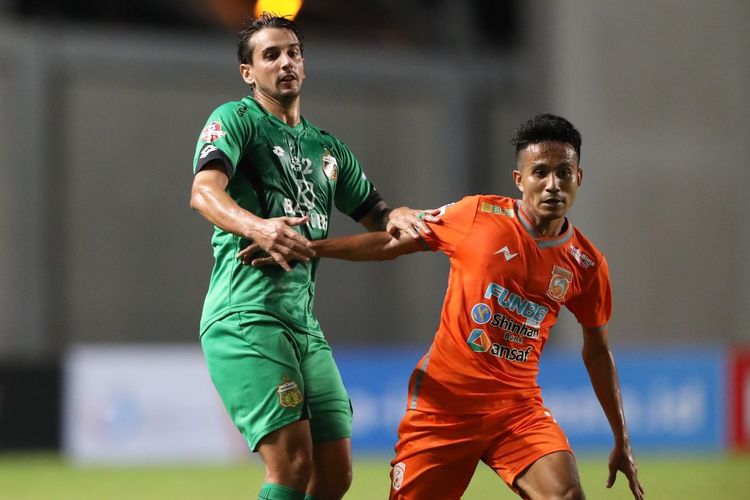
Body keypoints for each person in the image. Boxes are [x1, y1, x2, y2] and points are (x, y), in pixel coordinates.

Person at [246, 114, 644, 499]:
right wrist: (312, 249)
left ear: (579, 178)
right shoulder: (475, 215)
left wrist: (621, 438)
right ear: (520, 180)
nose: (553, 184)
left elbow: (597, 349)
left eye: (564, 172)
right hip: (444, 406)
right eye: (540, 172)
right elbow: (391, 242)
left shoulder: (587, 264)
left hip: (517, 409)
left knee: (567, 495)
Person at [189, 13, 436, 500]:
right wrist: (257, 225)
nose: (286, 62)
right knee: (293, 465)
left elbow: (386, 231)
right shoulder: (236, 120)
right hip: (246, 314)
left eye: (294, 52)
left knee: (335, 473)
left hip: (302, 323)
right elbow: (203, 192)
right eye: (271, 54)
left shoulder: (329, 150)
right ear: (248, 72)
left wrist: (406, 218)